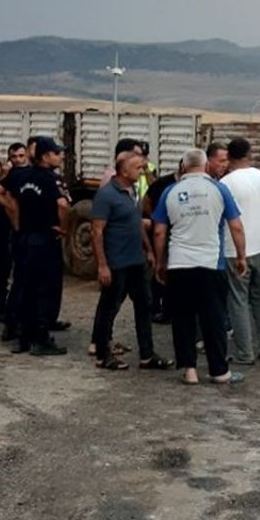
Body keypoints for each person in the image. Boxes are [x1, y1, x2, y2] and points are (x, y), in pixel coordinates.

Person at [153, 148, 248, 385]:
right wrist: (241, 256)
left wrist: (160, 261)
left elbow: (159, 230)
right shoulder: (218, 189)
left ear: (183, 167)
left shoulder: (170, 192)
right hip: (210, 265)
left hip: (179, 265)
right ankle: (219, 371)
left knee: (182, 318)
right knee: (213, 318)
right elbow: (236, 226)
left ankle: (190, 371)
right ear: (206, 166)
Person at [89, 151, 172, 371]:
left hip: (136, 260)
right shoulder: (107, 196)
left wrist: (149, 250)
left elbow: (137, 223)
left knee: (144, 305)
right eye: (138, 168)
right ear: (124, 171)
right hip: (117, 262)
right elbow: (97, 232)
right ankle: (102, 354)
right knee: (109, 307)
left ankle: (147, 354)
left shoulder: (132, 191)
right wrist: (103, 265)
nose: (142, 171)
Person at [0, 136, 71, 355]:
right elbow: (63, 205)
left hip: (24, 239)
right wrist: (63, 229)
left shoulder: (21, 175)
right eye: (57, 153)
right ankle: (42, 339)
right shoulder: (50, 178)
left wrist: (17, 221)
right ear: (45, 157)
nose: (60, 156)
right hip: (45, 240)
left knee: (25, 288)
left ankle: (23, 338)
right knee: (46, 289)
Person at [220, 137, 260, 365]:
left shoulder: (227, 183)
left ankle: (245, 353)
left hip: (237, 249)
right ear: (249, 154)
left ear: (229, 157)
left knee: (238, 300)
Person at [0, 142, 28, 322]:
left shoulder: (27, 174)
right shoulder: (7, 176)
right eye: (14, 157)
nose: (18, 160)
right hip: (5, 228)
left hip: (20, 227)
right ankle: (0, 305)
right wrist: (11, 207)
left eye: (21, 156)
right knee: (3, 266)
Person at [143, 167, 180, 325]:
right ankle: (155, 309)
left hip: (173, 233)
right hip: (162, 232)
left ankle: (168, 309)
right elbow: (146, 201)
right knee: (159, 269)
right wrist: (156, 219)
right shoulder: (164, 184)